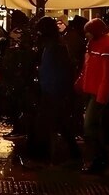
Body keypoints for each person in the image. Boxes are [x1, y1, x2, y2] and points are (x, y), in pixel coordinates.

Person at [34, 16, 82, 164]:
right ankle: (67, 154)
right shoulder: (56, 44)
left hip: (53, 89)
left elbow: (57, 69)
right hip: (54, 88)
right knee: (59, 122)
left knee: (53, 122)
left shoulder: (54, 46)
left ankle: (48, 156)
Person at [75, 17, 109, 174]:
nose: (86, 35)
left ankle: (95, 158)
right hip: (91, 89)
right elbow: (87, 67)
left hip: (98, 92)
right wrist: (80, 82)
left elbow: (107, 75)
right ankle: (101, 157)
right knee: (93, 125)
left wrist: (102, 95)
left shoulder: (106, 46)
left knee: (89, 125)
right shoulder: (93, 44)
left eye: (89, 32)